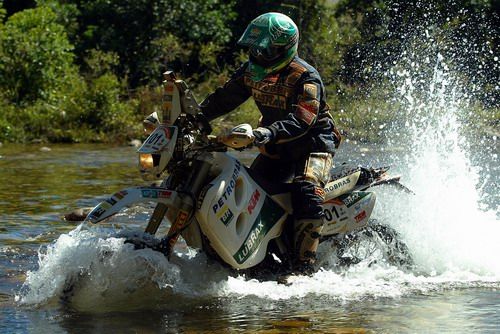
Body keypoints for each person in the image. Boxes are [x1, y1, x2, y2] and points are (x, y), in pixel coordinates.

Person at [199, 12, 341, 275]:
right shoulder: (249, 71)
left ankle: (303, 268)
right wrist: (194, 118)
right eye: (256, 48)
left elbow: (303, 119)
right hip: (277, 144)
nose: (260, 55)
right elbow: (222, 99)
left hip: (314, 144)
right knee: (252, 192)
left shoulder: (305, 77)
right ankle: (254, 256)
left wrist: (264, 133)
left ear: (286, 48)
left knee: (306, 193)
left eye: (268, 50)